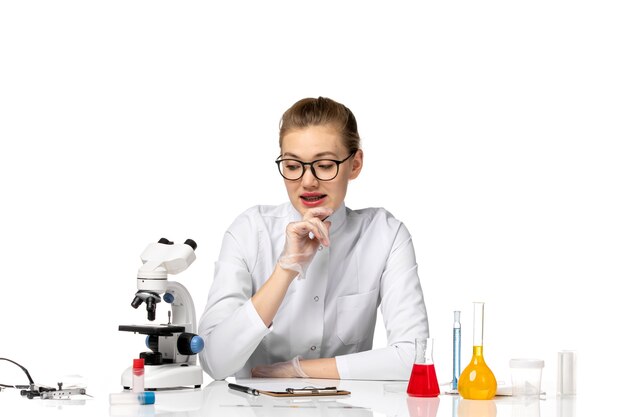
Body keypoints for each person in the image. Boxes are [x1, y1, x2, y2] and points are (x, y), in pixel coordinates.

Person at [198, 97, 429, 380]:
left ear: (354, 164)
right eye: (293, 166)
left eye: (325, 164)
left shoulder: (385, 235)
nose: (308, 181)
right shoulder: (249, 231)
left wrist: (298, 370)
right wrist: (285, 269)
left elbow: (414, 358)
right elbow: (214, 362)